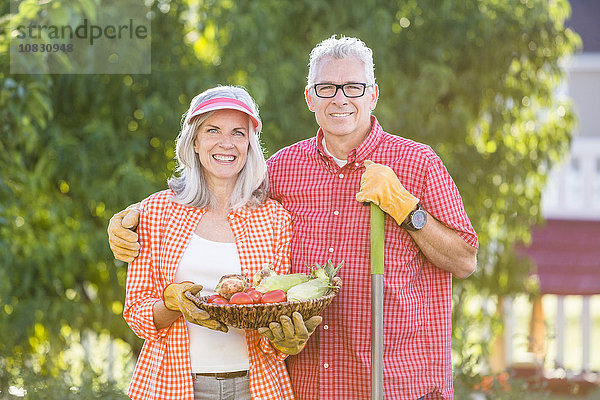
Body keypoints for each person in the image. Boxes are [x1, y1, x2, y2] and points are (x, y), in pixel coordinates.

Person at [109, 36, 478, 400]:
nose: (340, 98)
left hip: (393, 381)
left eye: (353, 87)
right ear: (310, 98)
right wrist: (135, 215)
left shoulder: (418, 162)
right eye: (327, 87)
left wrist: (407, 209)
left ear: (373, 95)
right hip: (312, 382)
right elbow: (220, 193)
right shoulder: (282, 169)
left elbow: (464, 260)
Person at [121, 85, 320, 400]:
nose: (226, 143)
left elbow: (277, 308)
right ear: (195, 141)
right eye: (213, 130)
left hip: (257, 386)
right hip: (171, 385)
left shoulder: (273, 218)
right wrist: (173, 305)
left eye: (238, 133)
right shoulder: (157, 212)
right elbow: (136, 313)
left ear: (250, 144)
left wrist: (285, 339)